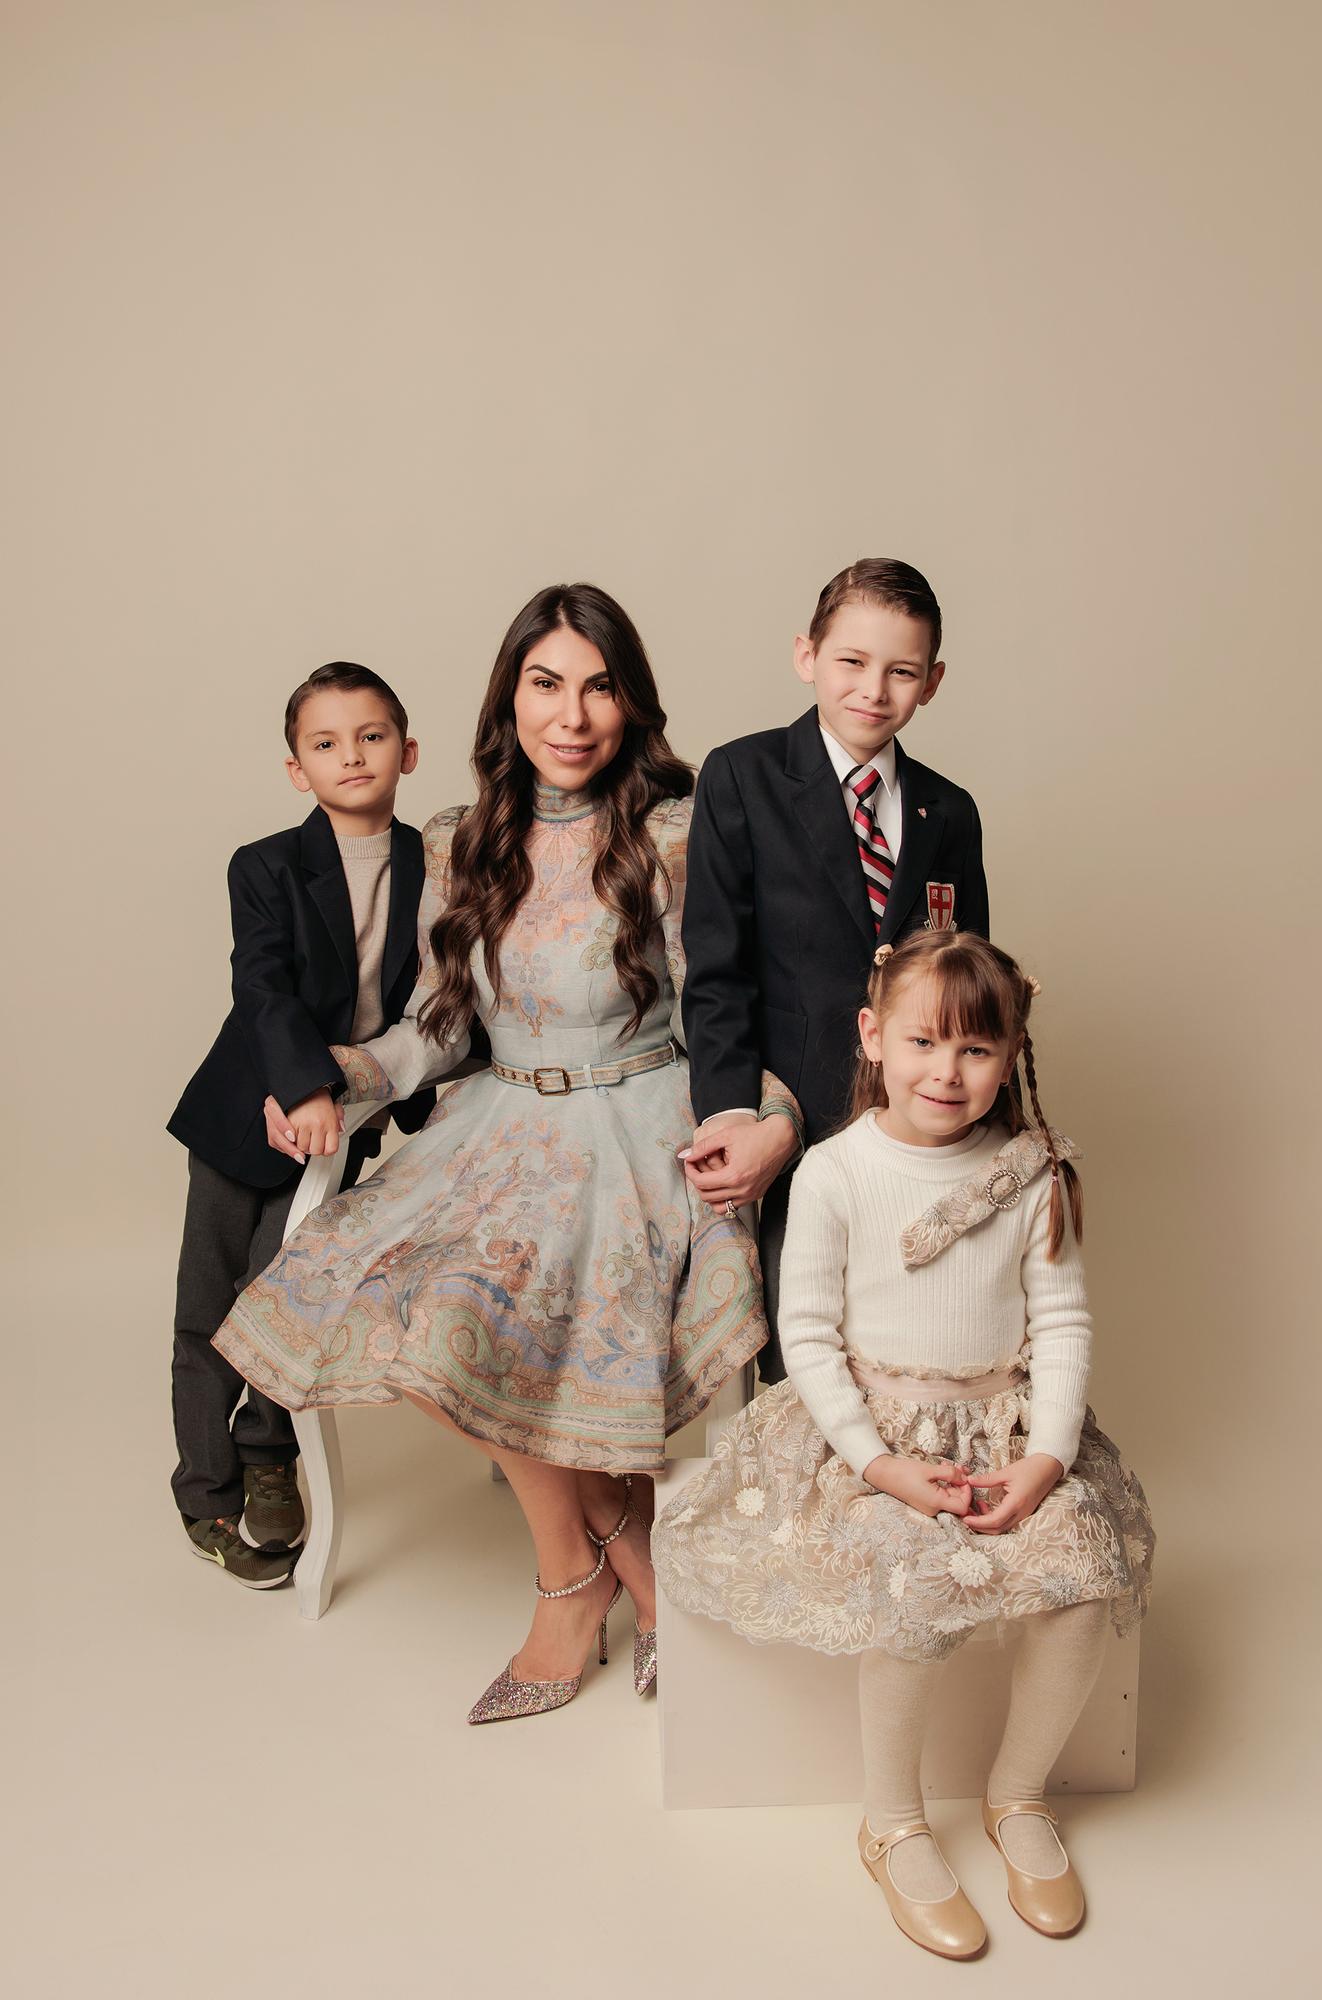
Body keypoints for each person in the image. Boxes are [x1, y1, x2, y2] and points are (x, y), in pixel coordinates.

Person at [212, 584, 801, 1716]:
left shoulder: (676, 831)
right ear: (508, 698)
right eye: (545, 684)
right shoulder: (457, 837)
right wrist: (338, 1078)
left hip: (638, 1122)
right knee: (412, 1317)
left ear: (630, 704)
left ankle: (566, 1590)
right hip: (499, 1122)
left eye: (598, 687)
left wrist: (769, 1119)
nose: (570, 715)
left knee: (510, 1314)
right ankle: (615, 1544)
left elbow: (726, 1013)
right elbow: (437, 1025)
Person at [654, 930, 1153, 1959]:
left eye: (976, 1048)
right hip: (873, 1438)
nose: (947, 1071)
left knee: (1080, 1578)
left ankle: (1017, 1796)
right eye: (923, 1041)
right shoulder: (834, 1171)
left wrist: (1043, 1458)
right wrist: (879, 1464)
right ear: (872, 1035)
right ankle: (892, 1822)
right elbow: (807, 1335)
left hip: (1003, 1431)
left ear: (1010, 1054)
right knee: (911, 1584)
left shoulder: (1031, 1173)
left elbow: (1061, 1323)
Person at [678, 558, 989, 1380]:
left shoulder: (949, 811)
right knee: (802, 1355)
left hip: (920, 1125)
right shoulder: (741, 776)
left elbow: (969, 988)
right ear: (805, 655)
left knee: (922, 1345)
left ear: (931, 682)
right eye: (851, 661)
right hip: (793, 1122)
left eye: (901, 671)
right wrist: (731, 1115)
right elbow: (716, 971)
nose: (872, 690)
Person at [167, 662, 436, 1585]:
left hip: (343, 1122)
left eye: (370, 736)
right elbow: (263, 987)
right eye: (325, 743)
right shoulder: (265, 864)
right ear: (298, 769)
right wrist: (304, 1085)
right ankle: (205, 1494)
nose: (350, 756)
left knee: (284, 1298)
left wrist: (356, 1096)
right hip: (245, 1115)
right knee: (209, 1309)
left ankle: (267, 1451)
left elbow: (439, 997)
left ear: (407, 751)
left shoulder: (435, 866)